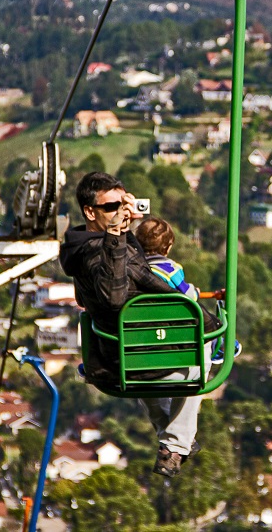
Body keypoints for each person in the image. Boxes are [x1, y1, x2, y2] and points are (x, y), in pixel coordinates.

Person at [59, 171, 206, 477]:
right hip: (127, 358)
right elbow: (114, 298)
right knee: (199, 355)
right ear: (90, 212)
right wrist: (115, 236)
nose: (119, 212)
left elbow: (96, 296)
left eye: (122, 204)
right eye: (111, 207)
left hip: (122, 351)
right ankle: (175, 444)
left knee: (167, 340)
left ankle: (171, 438)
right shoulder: (93, 251)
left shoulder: (83, 247)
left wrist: (124, 228)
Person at [134, 217, 240, 364]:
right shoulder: (170, 270)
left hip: (145, 330)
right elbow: (187, 294)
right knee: (196, 312)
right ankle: (217, 345)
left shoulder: (133, 270)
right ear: (168, 247)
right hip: (174, 326)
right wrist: (195, 291)